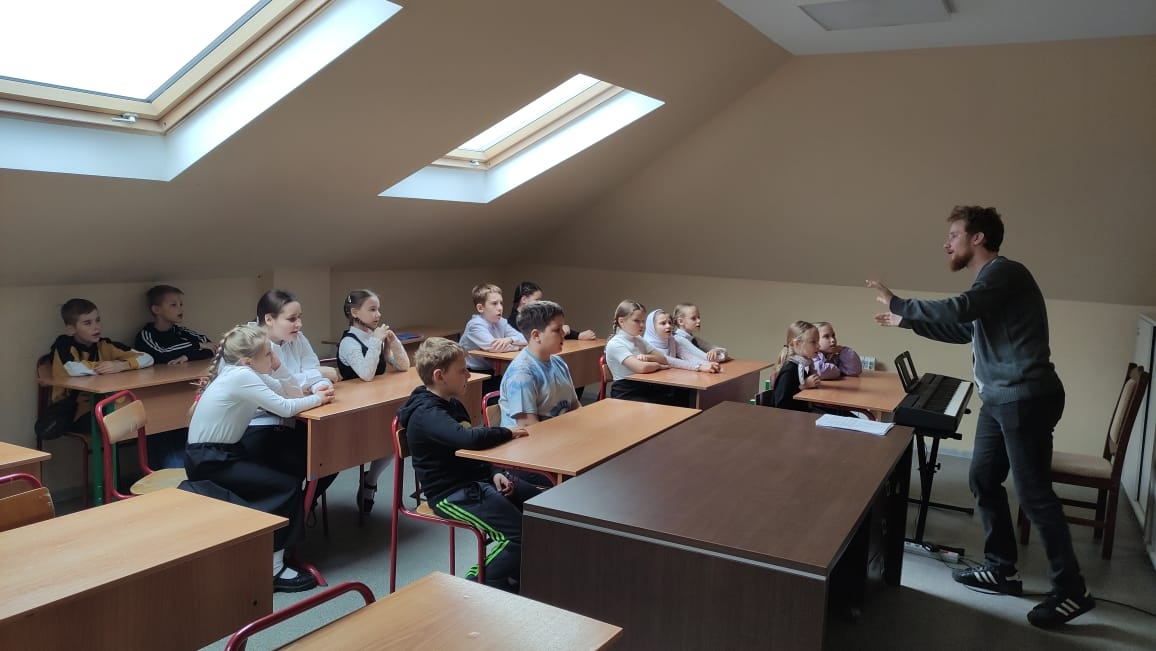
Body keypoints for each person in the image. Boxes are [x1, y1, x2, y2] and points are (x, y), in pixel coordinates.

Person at [867, 205, 1092, 629]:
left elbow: (960, 308)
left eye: (953, 234)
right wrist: (906, 321)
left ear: (978, 238)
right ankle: (1001, 568)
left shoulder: (1005, 274)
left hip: (1024, 397)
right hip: (999, 400)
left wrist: (900, 302)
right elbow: (963, 328)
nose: (946, 243)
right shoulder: (989, 286)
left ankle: (1072, 589)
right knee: (984, 478)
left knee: (1034, 494)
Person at [182, 324, 334, 593]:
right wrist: (318, 400)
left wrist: (279, 367)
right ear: (247, 361)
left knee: (281, 473)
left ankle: (269, 548)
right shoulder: (241, 376)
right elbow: (285, 407)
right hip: (210, 459)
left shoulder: (245, 372)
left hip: (223, 453)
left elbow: (292, 392)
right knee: (284, 486)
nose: (273, 357)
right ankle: (274, 571)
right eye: (268, 354)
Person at [397, 337, 533, 592]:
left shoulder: (452, 403)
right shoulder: (427, 413)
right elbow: (467, 439)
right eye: (462, 370)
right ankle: (477, 579)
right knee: (521, 535)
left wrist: (494, 473)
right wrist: (505, 432)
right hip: (450, 494)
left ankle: (513, 576)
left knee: (539, 510)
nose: (469, 375)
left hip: (475, 482)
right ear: (440, 376)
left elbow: (472, 449)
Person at [245, 290, 337, 518]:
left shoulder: (298, 338)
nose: (299, 324)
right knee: (302, 462)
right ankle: (290, 516)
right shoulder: (252, 345)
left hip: (294, 419)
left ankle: (302, 508)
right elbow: (281, 392)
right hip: (259, 426)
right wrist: (314, 381)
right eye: (292, 319)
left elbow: (314, 373)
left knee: (333, 455)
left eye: (299, 317)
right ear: (269, 319)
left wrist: (319, 386)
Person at [336, 289, 410, 513]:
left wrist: (393, 342)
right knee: (382, 439)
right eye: (372, 309)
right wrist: (377, 341)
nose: (378, 314)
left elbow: (404, 365)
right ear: (355, 313)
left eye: (378, 309)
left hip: (376, 402)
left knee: (393, 438)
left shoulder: (373, 337)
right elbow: (366, 374)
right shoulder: (349, 342)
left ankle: (370, 479)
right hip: (352, 408)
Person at [47, 298, 154, 430]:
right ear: (71, 329)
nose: (96, 326)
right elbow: (73, 369)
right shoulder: (63, 346)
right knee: (121, 420)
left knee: (145, 411)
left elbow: (147, 358)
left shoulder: (105, 345)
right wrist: (107, 366)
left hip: (104, 403)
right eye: (87, 323)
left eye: (97, 320)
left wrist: (121, 365)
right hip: (74, 411)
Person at [499, 300, 580, 428]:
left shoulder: (558, 362)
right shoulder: (521, 374)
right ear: (536, 335)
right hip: (529, 439)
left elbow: (575, 406)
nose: (563, 333)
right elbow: (528, 426)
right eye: (557, 330)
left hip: (558, 434)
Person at [604, 300, 691, 407]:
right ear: (621, 321)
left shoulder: (638, 339)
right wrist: (659, 366)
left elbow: (662, 358)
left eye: (643, 321)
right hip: (626, 392)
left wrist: (648, 358)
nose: (642, 325)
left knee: (682, 395)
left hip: (644, 387)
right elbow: (641, 368)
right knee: (656, 407)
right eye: (636, 321)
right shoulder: (615, 343)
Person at [459, 283, 526, 394]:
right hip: (470, 374)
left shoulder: (501, 322)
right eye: (494, 303)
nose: (500, 308)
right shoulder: (475, 324)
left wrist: (510, 339)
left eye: (501, 303)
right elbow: (495, 347)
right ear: (480, 308)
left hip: (488, 372)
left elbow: (525, 339)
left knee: (516, 388)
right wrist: (518, 347)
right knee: (508, 393)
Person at [134, 285, 217, 365]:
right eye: (173, 305)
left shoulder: (181, 331)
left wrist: (187, 357)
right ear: (156, 309)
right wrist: (197, 345)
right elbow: (161, 355)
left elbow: (211, 347)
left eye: (181, 304)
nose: (180, 309)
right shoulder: (146, 335)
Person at [507, 281, 596, 340]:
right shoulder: (513, 320)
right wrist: (561, 332)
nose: (540, 303)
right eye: (537, 300)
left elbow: (552, 326)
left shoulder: (535, 316)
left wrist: (578, 335)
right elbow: (531, 339)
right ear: (524, 299)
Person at [643, 309, 719, 374]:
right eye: (663, 323)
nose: (668, 326)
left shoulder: (672, 340)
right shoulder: (646, 344)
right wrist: (699, 367)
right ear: (652, 327)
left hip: (671, 377)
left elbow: (686, 355)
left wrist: (708, 364)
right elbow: (670, 361)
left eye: (670, 323)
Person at [770, 321, 821, 412]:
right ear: (797, 344)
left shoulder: (802, 366)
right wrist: (804, 386)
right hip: (790, 418)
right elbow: (781, 405)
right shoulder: (789, 370)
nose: (818, 346)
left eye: (818, 341)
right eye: (813, 342)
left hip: (802, 413)